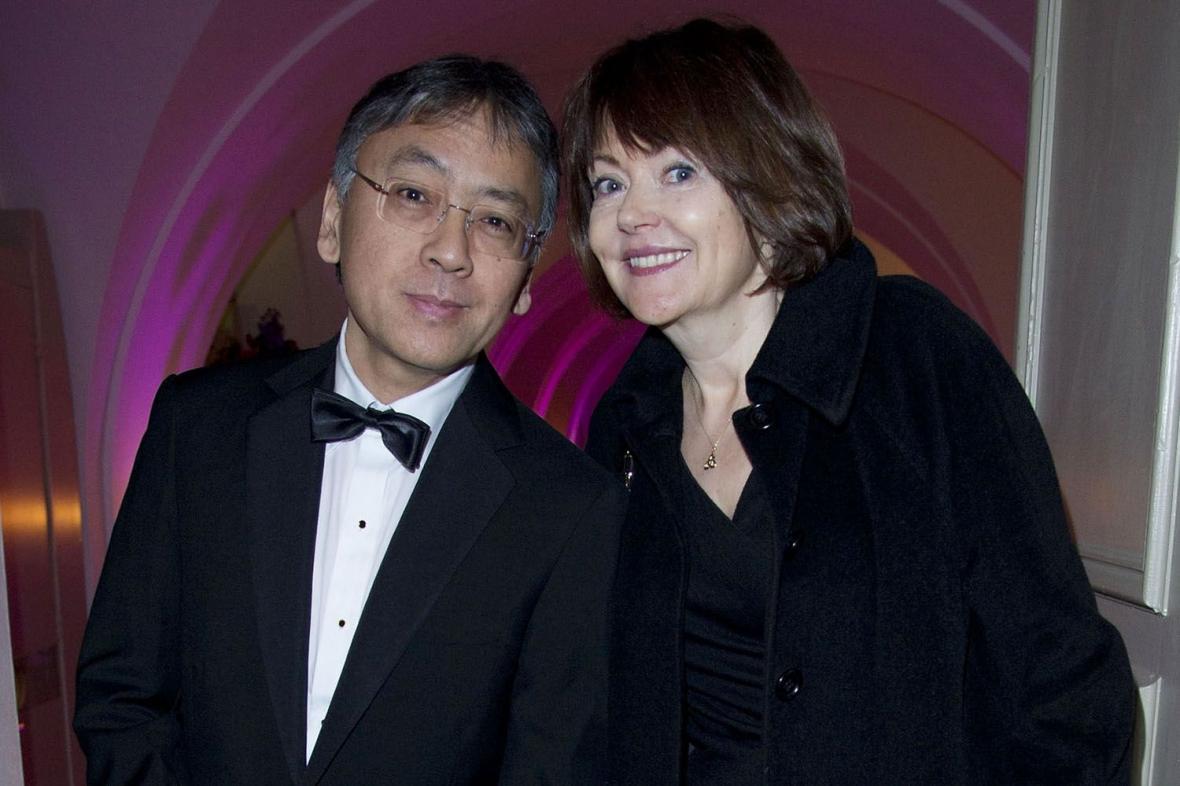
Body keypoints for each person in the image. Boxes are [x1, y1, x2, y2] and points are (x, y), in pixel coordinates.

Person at [562, 18, 1135, 785]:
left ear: (769, 177)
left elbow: (1066, 688)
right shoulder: (623, 426)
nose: (633, 213)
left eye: (678, 172)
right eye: (608, 183)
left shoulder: (916, 358)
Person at [74, 55, 622, 785]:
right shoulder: (198, 427)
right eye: (414, 194)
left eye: (495, 221)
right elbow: (122, 699)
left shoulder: (569, 509)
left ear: (526, 277)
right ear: (333, 220)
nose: (450, 252)